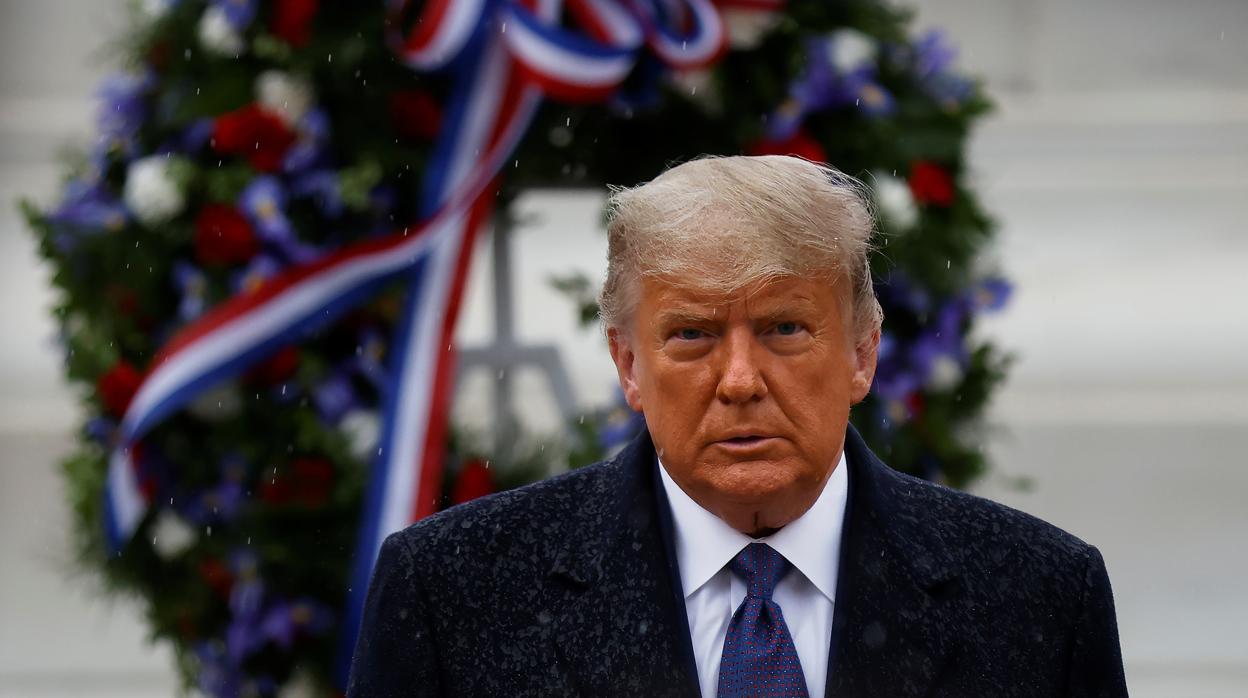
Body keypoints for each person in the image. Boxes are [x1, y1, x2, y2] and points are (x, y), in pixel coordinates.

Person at [347, 155, 1128, 697]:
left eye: (786, 329)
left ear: (863, 353)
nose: (742, 381)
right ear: (627, 366)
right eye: (692, 335)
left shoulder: (1038, 596)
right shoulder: (452, 596)